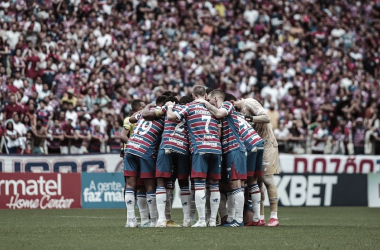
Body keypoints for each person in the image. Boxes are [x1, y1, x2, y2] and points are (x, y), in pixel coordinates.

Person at [167, 86, 222, 227]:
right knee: (214, 185)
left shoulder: (189, 107)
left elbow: (172, 117)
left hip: (200, 148)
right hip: (216, 148)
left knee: (199, 185)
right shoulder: (213, 109)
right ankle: (212, 221)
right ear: (205, 95)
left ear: (192, 95)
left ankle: (202, 220)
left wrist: (169, 107)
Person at [194, 89, 247, 227]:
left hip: (235, 148)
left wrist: (203, 102)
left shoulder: (227, 105)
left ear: (216, 99)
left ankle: (239, 220)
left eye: (210, 101)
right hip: (228, 150)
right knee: (232, 185)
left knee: (236, 185)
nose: (209, 104)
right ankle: (232, 218)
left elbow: (218, 113)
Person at [143, 93, 193, 227]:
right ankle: (187, 219)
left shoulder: (167, 108)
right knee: (183, 183)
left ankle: (161, 219)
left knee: (161, 182)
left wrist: (158, 107)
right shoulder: (189, 110)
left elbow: (146, 115)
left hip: (167, 146)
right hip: (183, 148)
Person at [232, 97, 280, 227]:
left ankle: (274, 216)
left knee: (267, 180)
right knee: (257, 182)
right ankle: (261, 218)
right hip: (257, 145)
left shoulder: (249, 102)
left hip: (268, 144)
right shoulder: (239, 111)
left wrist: (249, 118)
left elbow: (266, 117)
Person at [123, 95, 166, 228]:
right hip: (145, 150)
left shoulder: (142, 114)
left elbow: (130, 119)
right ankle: (153, 220)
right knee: (150, 186)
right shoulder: (163, 117)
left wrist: (146, 108)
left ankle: (131, 220)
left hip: (130, 148)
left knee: (130, 185)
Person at [225, 93, 265, 226]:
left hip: (247, 145)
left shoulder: (227, 115)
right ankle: (256, 219)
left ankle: (237, 219)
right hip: (258, 142)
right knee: (252, 181)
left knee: (239, 182)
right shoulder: (240, 115)